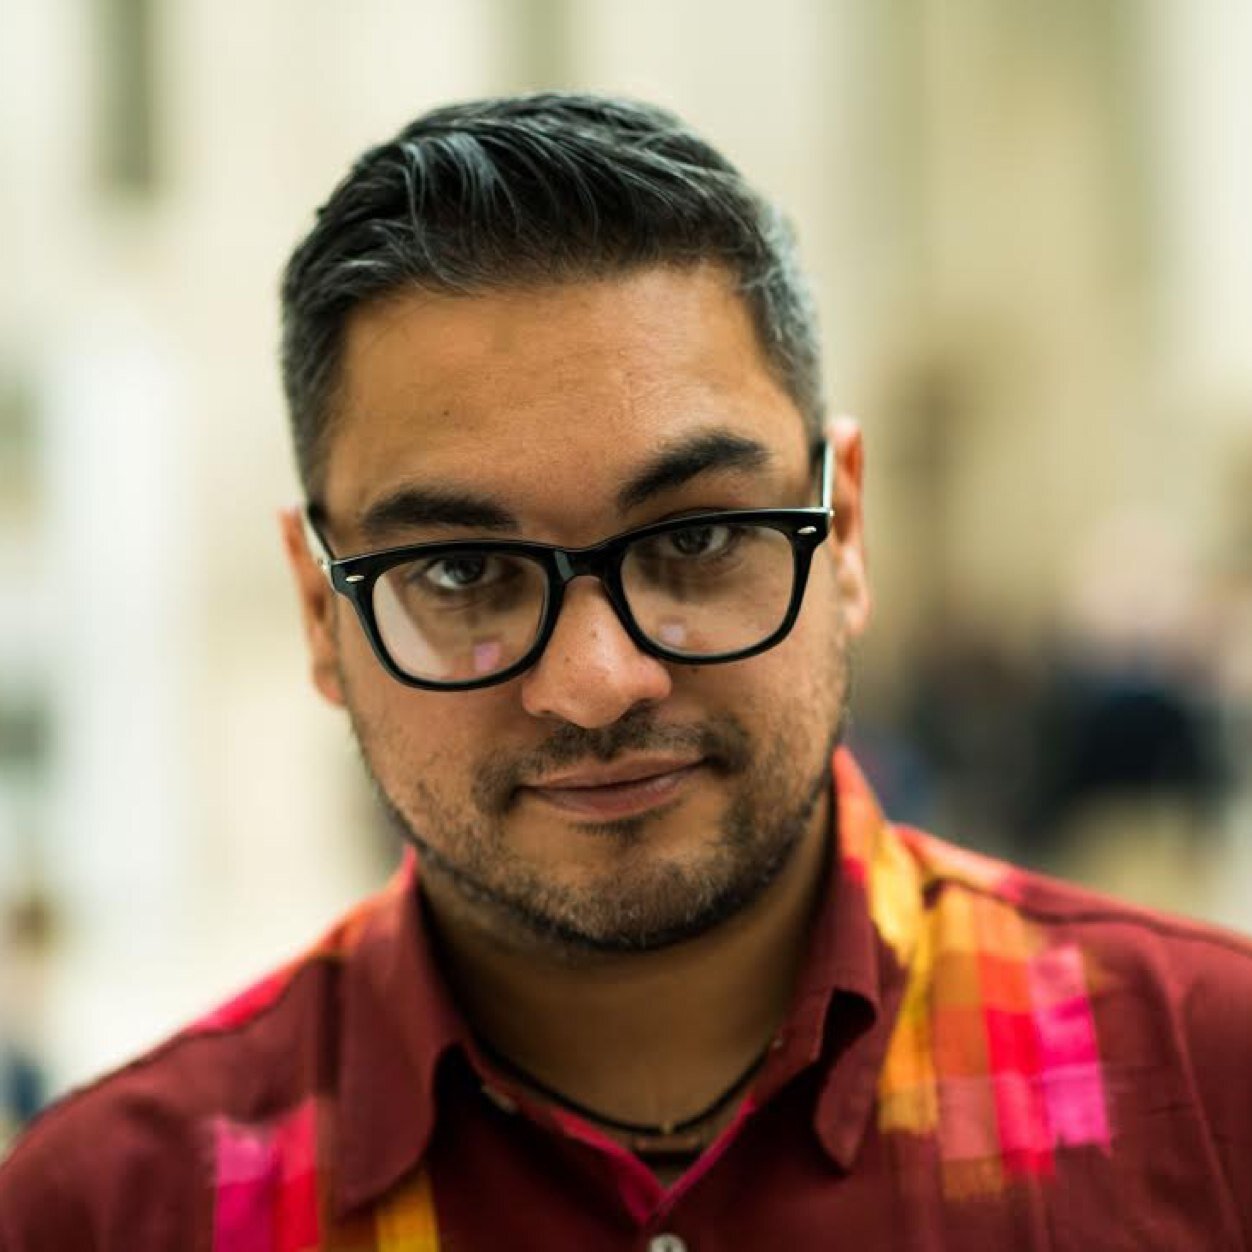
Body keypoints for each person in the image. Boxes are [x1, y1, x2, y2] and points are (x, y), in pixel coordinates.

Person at [1, 93, 1250, 1251]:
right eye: (460, 570)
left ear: (845, 532)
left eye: (695, 540)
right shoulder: (108, 1214)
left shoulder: (1212, 1094)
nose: (597, 680)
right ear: (321, 614)